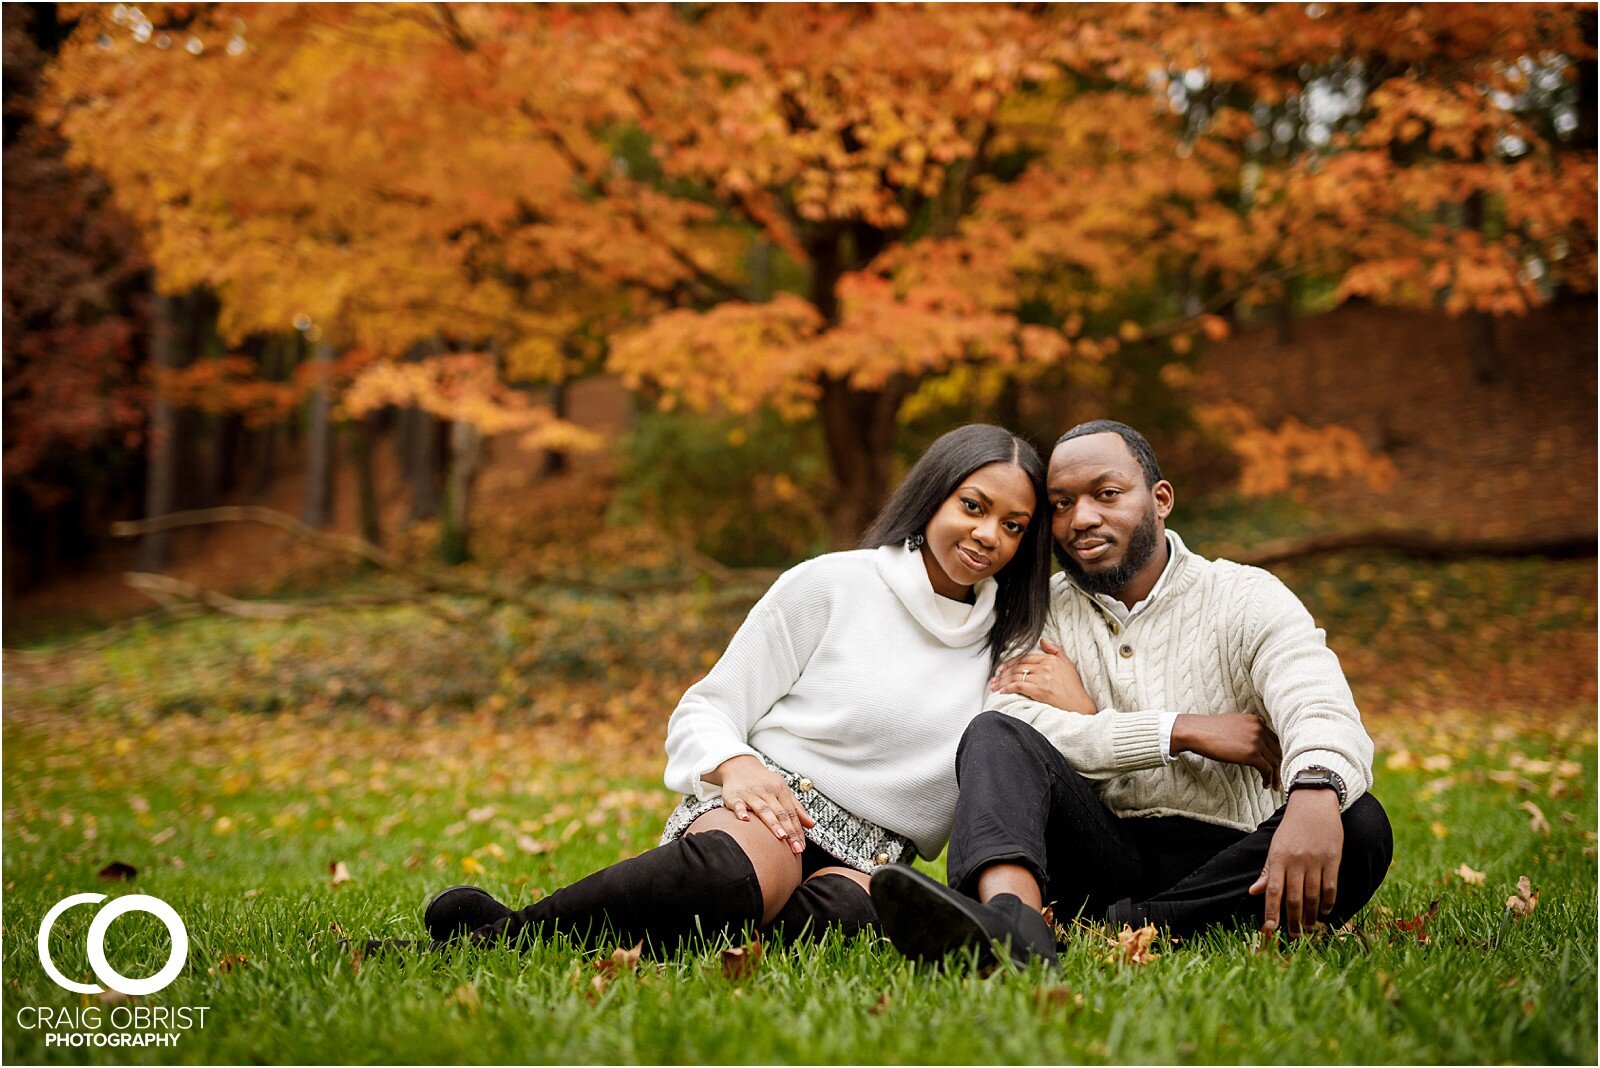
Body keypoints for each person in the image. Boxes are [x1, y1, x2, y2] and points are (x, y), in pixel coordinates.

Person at [406, 423, 1052, 955]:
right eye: (973, 506)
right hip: (769, 811)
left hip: (876, 858)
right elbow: (706, 707)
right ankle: (503, 938)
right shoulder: (833, 586)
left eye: (1014, 525)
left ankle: (542, 927)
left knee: (845, 927)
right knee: (731, 880)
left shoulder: (1014, 644)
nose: (988, 535)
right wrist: (737, 768)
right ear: (934, 496)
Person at [870, 419, 1394, 967]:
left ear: (1160, 499)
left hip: (1231, 857)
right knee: (994, 736)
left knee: (1359, 824)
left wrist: (1313, 790)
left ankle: (1127, 928)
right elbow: (1010, 722)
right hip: (1095, 855)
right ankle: (1013, 924)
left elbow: (1318, 702)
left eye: (1107, 494)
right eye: (1063, 504)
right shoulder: (1038, 610)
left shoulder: (1245, 596)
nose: (1083, 519)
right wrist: (1179, 730)